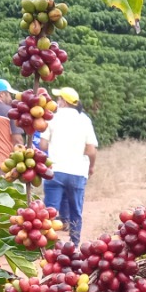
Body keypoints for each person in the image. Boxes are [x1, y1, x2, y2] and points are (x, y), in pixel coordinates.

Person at [40, 87, 98, 244]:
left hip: (55, 171)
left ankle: (47, 245)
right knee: (76, 210)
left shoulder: (52, 118)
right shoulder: (85, 120)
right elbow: (91, 150)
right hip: (77, 172)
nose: (57, 102)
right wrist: (91, 167)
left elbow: (43, 145)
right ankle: (74, 244)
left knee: (50, 212)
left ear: (63, 102)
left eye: (58, 99)